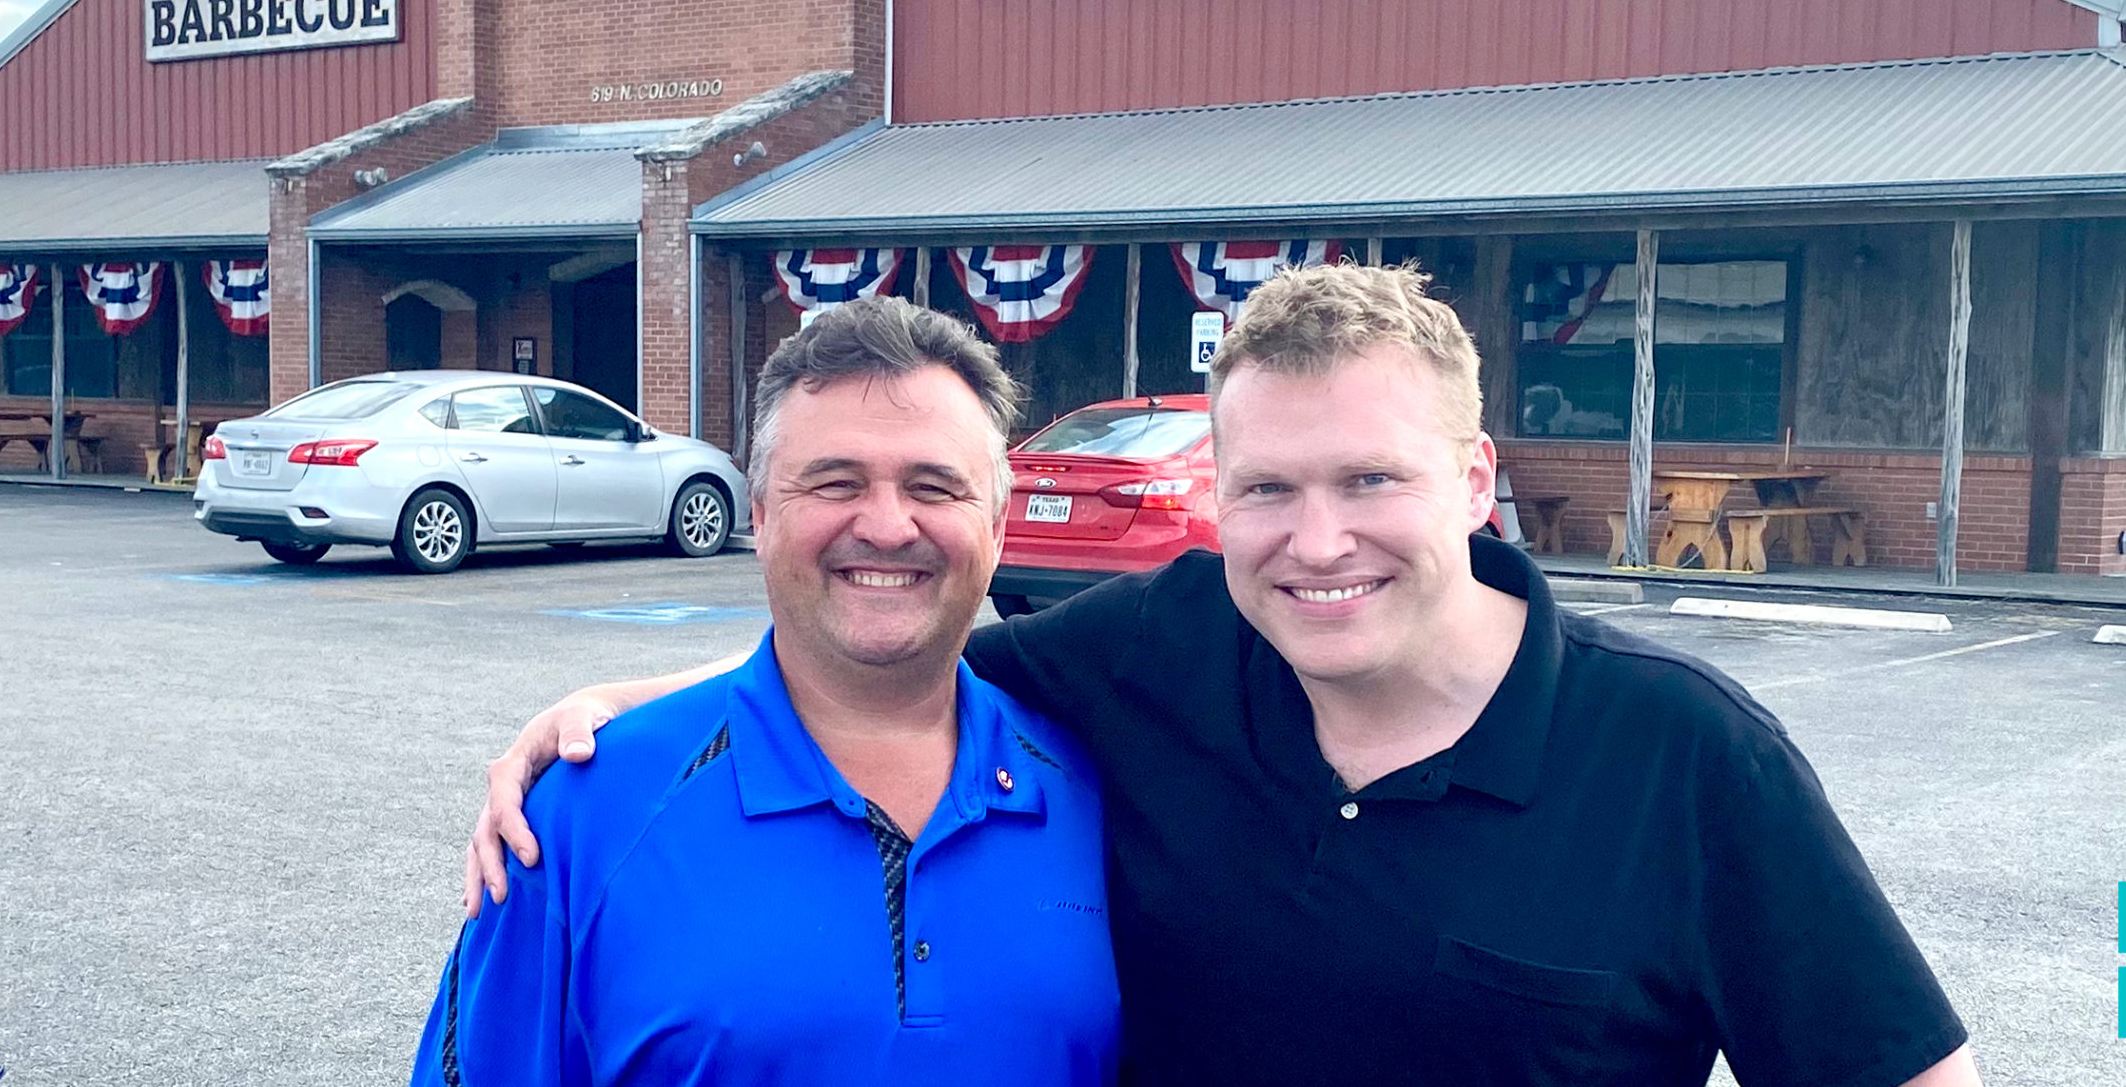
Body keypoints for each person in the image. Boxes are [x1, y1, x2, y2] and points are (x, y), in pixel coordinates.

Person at [468, 265, 1981, 1087]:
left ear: (1474, 479)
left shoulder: (1683, 758)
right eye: (1265, 489)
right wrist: (618, 732)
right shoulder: (1159, 660)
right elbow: (887, 649)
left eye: (1370, 481)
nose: (1317, 544)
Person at [414, 298, 1119, 1085]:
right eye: (834, 481)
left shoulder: (1100, 794)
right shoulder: (581, 817)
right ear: (759, 512)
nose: (887, 525)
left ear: (995, 528)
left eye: (933, 486)